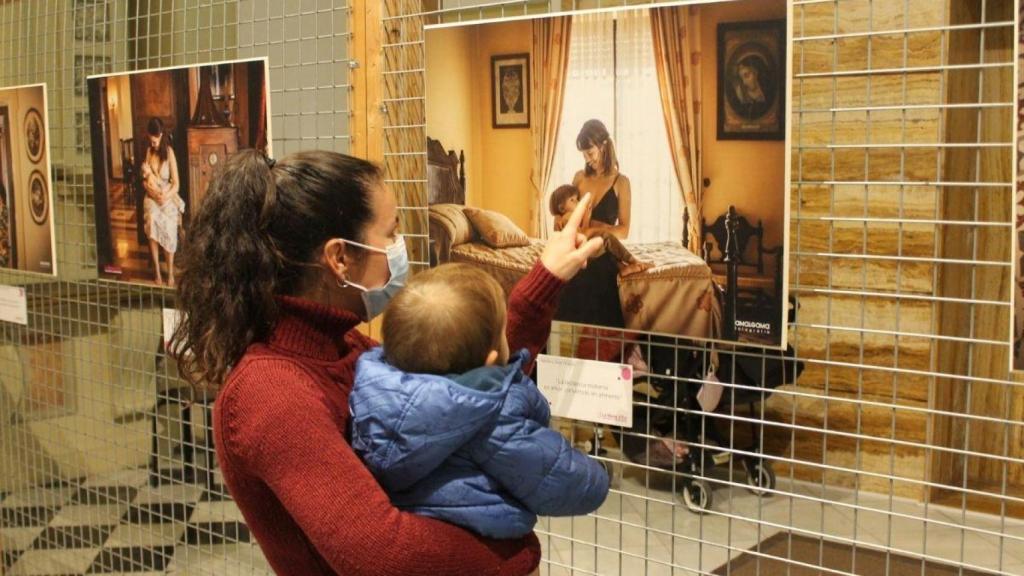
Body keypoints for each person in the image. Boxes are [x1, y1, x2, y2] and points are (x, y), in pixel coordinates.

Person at [169, 149, 603, 576]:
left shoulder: (344, 347)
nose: (400, 249)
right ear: (340, 257)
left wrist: (547, 274)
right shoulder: (269, 392)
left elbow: (465, 390)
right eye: (391, 233)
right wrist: (515, 551)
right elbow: (388, 556)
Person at [350, 263, 610, 540]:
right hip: (481, 542)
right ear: (489, 361)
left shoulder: (371, 392)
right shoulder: (495, 421)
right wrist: (599, 474)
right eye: (503, 330)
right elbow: (571, 485)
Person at [555, 119, 687, 468]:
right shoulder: (578, 178)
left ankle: (619, 378)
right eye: (584, 151)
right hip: (582, 254)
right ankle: (594, 417)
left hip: (602, 257)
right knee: (586, 329)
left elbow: (624, 229)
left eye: (592, 150)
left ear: (605, 144)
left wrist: (600, 229)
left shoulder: (620, 182)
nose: (588, 157)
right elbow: (566, 216)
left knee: (601, 331)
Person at [550, 183, 650, 278]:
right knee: (606, 238)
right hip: (578, 253)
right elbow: (582, 236)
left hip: (579, 251)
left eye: (577, 199)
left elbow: (579, 235)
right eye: (572, 200)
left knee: (605, 248)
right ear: (562, 208)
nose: (577, 202)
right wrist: (587, 220)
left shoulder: (564, 218)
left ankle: (622, 267)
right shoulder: (568, 217)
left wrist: (586, 219)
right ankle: (633, 261)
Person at [140, 117, 183, 287]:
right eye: (151, 140)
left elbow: (177, 184)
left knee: (169, 226)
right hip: (152, 196)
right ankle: (157, 270)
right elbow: (144, 181)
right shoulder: (149, 152)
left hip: (167, 195)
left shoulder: (169, 152)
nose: (153, 143)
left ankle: (170, 272)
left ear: (161, 135)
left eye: (156, 140)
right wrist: (150, 190)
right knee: (151, 220)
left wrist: (165, 196)